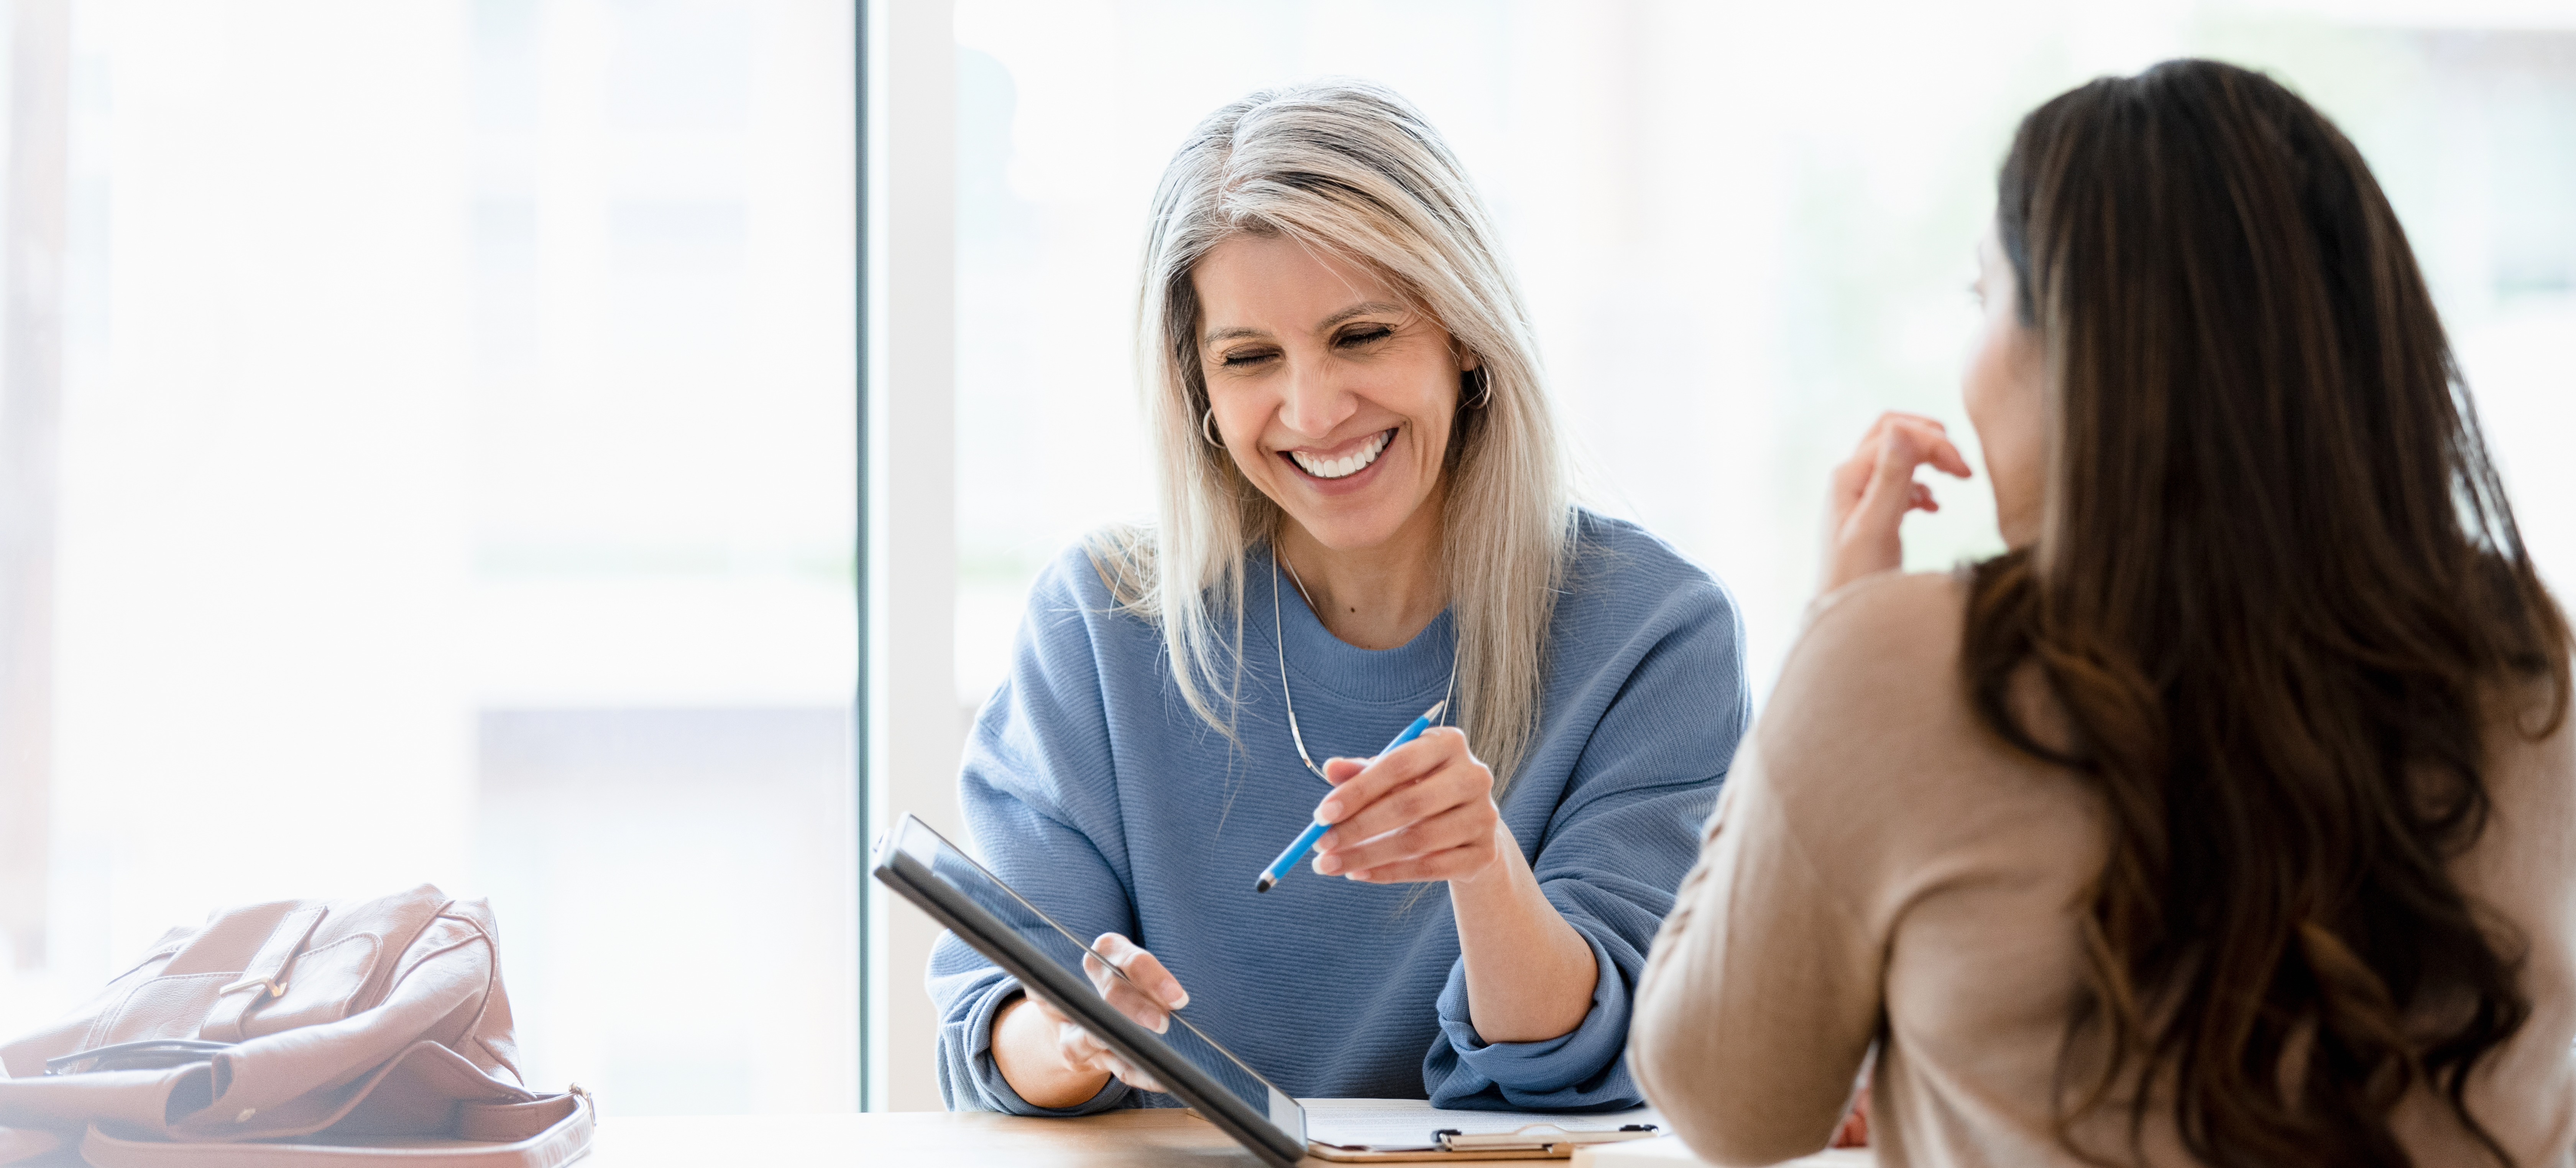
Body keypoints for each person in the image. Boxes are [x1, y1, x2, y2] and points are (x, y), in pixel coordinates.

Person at [1631, 59, 2576, 1167]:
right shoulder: (2524, 658)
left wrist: (1832, 628)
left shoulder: (1900, 660)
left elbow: (1729, 1106)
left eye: (1986, 299)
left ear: (2076, 347)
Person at [928, 80, 1747, 1114]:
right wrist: (1073, 1029)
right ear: (1198, 391)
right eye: (1250, 358)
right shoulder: (1095, 625)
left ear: (1463, 335)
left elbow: (1594, 1057)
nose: (1313, 411)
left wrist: (1484, 867)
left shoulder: (1655, 638)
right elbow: (992, 1030)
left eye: (1362, 337)